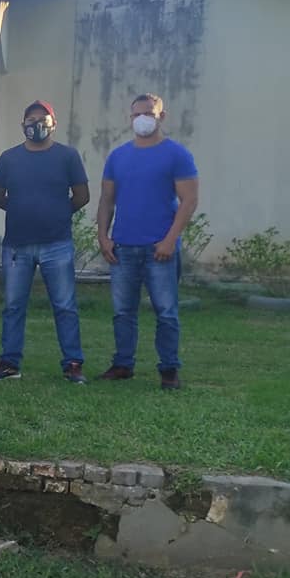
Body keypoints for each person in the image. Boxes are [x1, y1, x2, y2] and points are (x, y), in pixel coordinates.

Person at [97, 93, 200, 390]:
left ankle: (169, 370)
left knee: (166, 312)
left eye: (148, 113)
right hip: (123, 248)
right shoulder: (117, 156)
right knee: (122, 311)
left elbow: (189, 200)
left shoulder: (177, 155)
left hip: (160, 249)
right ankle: (122, 364)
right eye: (136, 114)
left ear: (161, 116)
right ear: (129, 119)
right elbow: (106, 200)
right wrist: (103, 236)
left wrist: (170, 240)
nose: (142, 118)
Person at [0, 100, 91, 384]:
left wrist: (57, 212)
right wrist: (23, 209)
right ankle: (9, 362)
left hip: (56, 243)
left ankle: (72, 363)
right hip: (17, 245)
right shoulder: (9, 158)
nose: (36, 124)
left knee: (65, 305)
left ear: (53, 124)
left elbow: (82, 196)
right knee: (13, 305)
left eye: (42, 119)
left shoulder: (67, 156)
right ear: (23, 125)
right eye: (31, 119)